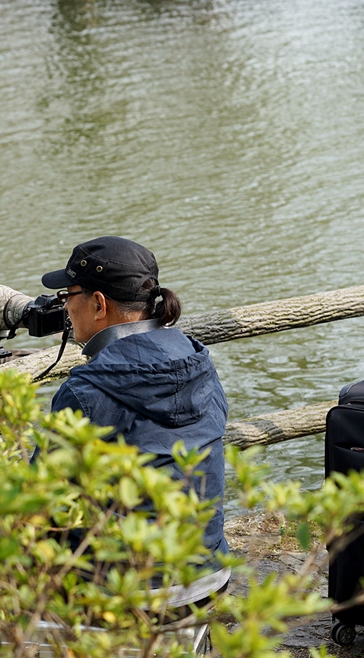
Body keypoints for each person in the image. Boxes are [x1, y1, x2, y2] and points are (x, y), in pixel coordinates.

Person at [38, 236, 230, 575]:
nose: (64, 308)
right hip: (209, 569)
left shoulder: (85, 391)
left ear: (99, 304)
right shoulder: (199, 361)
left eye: (68, 296)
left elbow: (42, 493)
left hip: (130, 587)